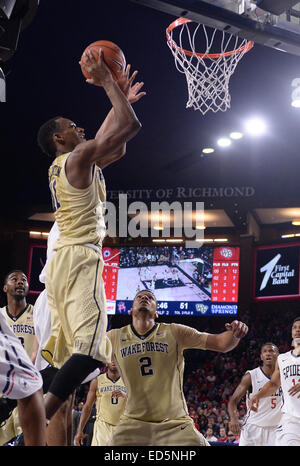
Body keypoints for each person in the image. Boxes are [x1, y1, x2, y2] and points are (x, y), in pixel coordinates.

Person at [36, 48, 143, 424]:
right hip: (79, 259)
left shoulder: (74, 162)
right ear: (58, 139)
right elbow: (131, 128)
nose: (77, 127)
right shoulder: (78, 159)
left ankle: (14, 421)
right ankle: (37, 421)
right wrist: (109, 85)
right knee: (93, 352)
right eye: (70, 126)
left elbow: (116, 140)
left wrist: (120, 101)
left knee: (66, 357)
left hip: (64, 261)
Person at [107, 289, 248, 446]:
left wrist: (235, 333)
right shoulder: (114, 337)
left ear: (156, 313)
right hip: (133, 422)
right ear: (130, 310)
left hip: (174, 423)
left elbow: (221, 343)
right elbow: (86, 353)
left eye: (150, 297)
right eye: (139, 297)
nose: (144, 298)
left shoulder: (173, 331)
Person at [249, 318, 300, 446]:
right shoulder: (282, 359)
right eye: (295, 327)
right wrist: (257, 396)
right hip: (291, 419)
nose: (297, 330)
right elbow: (274, 384)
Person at [0, 270, 36, 445]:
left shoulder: (37, 315)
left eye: (24, 280)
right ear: (5, 287)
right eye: (14, 279)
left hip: (27, 392)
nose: (20, 282)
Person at [0, 310, 46, 445]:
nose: (21, 286)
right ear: (5, 287)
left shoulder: (36, 311)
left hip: (24, 383)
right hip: (12, 383)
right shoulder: (2, 312)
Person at [228, 342, 282, 446]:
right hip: (253, 428)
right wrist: (234, 418)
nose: (268, 354)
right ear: (261, 357)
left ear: (278, 355)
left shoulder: (284, 375)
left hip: (277, 428)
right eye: (265, 352)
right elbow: (233, 401)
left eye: (271, 351)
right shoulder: (251, 376)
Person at [74, 360, 126, 446]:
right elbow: (87, 407)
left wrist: (126, 395)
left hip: (122, 426)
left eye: (116, 359)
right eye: (111, 359)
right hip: (102, 426)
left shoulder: (127, 381)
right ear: (106, 363)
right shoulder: (97, 381)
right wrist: (79, 430)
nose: (113, 362)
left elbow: (138, 404)